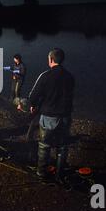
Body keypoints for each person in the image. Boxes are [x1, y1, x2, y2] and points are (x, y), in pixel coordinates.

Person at [28, 48, 75, 181]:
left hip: (49, 116)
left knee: (44, 145)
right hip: (65, 117)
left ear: (50, 59)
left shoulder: (45, 75)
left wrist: (32, 105)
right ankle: (59, 175)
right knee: (62, 146)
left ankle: (42, 173)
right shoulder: (69, 77)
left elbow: (33, 95)